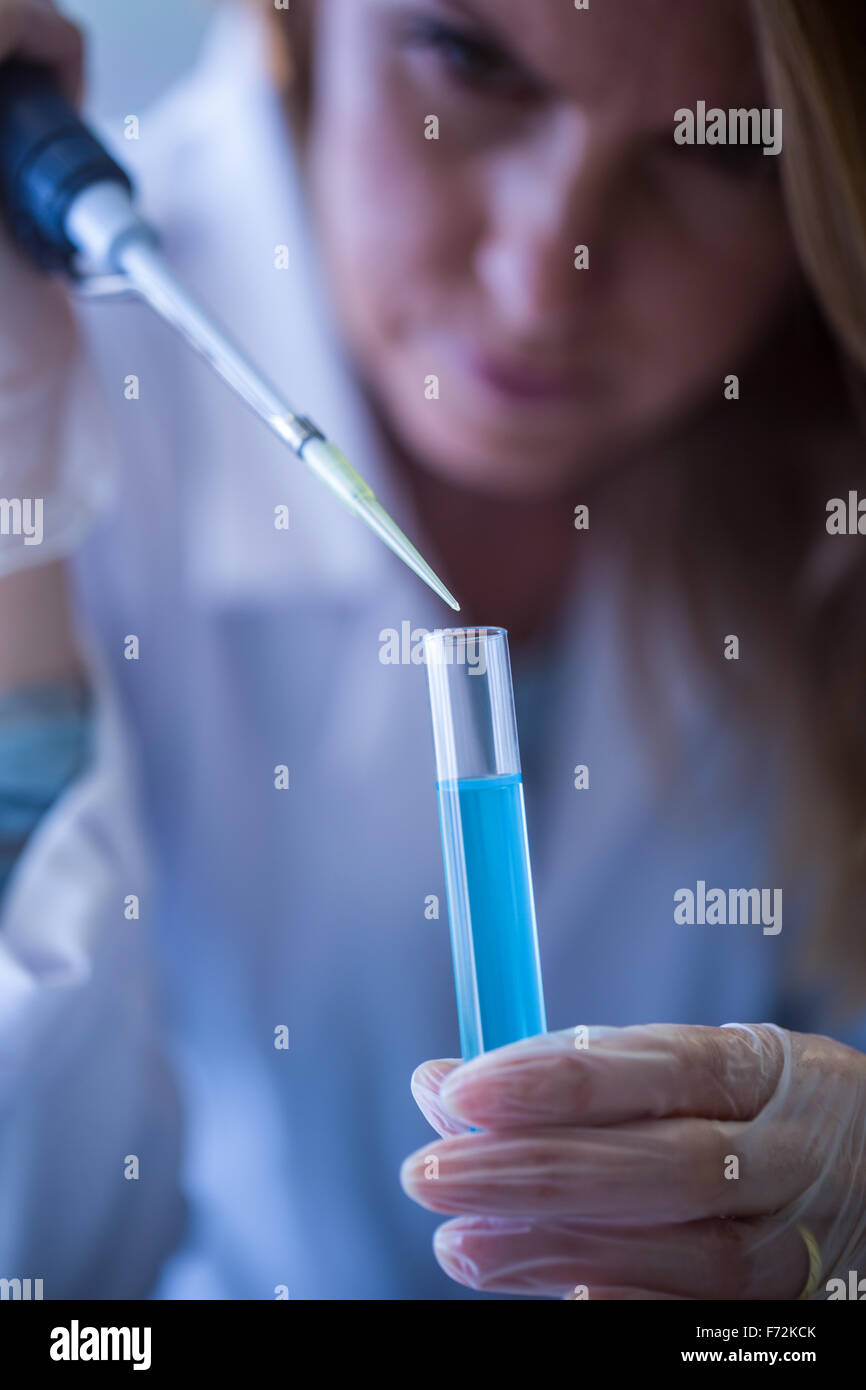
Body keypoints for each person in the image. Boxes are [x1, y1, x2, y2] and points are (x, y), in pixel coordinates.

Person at [0, 0, 864, 1300]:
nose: (540, 277)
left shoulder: (822, 445)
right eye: (469, 63)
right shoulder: (60, 382)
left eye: (723, 151)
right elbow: (41, 1250)